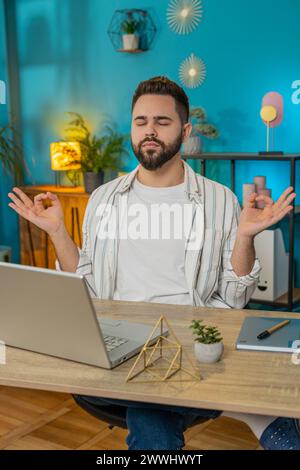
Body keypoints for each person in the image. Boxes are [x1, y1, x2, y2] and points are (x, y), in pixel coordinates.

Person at [8, 76, 299, 450]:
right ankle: (254, 412)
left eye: (162, 122)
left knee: (153, 415)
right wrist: (58, 233)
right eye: (141, 121)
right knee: (169, 406)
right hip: (118, 344)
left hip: (194, 344)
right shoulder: (103, 200)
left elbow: (234, 300)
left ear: (185, 129)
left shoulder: (220, 200)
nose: (150, 131)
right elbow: (89, 288)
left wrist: (245, 237)